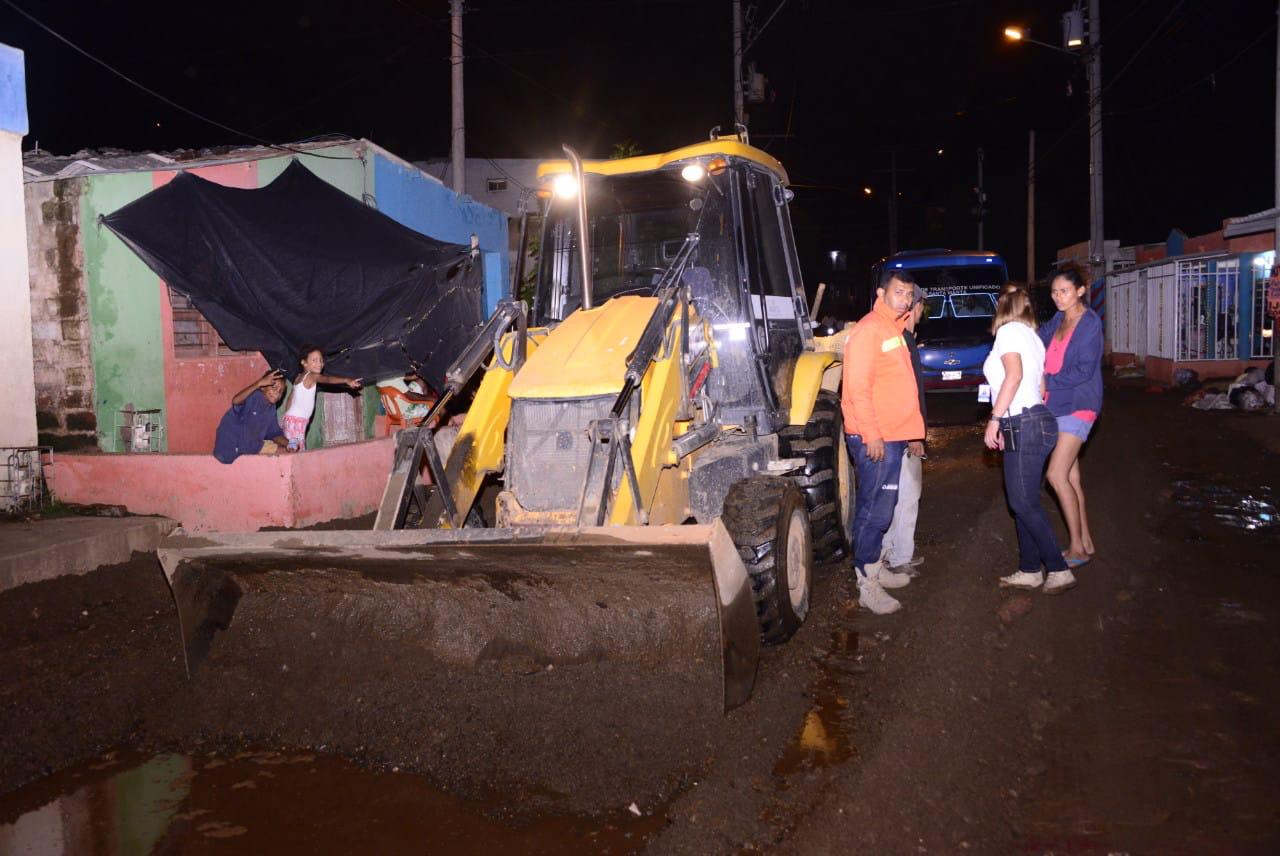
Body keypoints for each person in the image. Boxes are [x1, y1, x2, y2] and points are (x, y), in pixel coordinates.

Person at [842, 269, 926, 614]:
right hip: (875, 437)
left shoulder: (893, 328)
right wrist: (872, 434)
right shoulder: (869, 330)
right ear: (881, 293)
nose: (905, 299)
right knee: (873, 513)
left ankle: (877, 567)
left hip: (893, 435)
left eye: (909, 294)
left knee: (883, 510)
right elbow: (858, 388)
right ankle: (867, 583)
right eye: (899, 293)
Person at [983, 284, 1074, 594]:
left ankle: (1059, 569)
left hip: (1024, 421)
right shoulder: (1034, 339)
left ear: (1004, 309)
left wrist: (996, 420)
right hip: (1036, 421)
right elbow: (1042, 385)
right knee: (1025, 502)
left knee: (1021, 501)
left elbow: (1014, 376)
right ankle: (1030, 569)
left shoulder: (1008, 332)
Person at [1039, 267, 1103, 568]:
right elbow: (1036, 342)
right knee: (1071, 476)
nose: (1057, 296)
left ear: (1080, 290)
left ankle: (1076, 548)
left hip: (1078, 405)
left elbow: (1084, 371)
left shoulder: (1089, 323)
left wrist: (1046, 381)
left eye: (1063, 290)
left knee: (1055, 475)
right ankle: (1086, 539)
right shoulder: (1057, 320)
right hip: (1057, 406)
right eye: (1054, 291)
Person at [881, 284, 928, 577]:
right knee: (906, 499)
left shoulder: (904, 340)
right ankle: (897, 558)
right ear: (916, 308)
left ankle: (897, 553)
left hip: (899, 432)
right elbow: (909, 395)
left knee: (897, 498)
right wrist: (916, 435)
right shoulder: (904, 341)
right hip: (904, 434)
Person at [281, 345, 362, 450]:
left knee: (294, 449)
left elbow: (290, 399)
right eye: (314, 360)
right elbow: (327, 379)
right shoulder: (311, 376)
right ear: (304, 362)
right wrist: (346, 380)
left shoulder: (298, 377)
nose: (319, 363)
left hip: (291, 420)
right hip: (296, 422)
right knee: (295, 451)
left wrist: (286, 417)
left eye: (320, 360)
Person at [212, 369, 291, 464]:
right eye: (274, 388)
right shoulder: (255, 396)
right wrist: (258, 384)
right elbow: (235, 401)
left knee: (284, 452)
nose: (277, 393)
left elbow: (274, 434)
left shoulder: (271, 408)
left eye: (280, 391)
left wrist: (291, 444)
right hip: (233, 444)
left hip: (252, 445)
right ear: (263, 387)